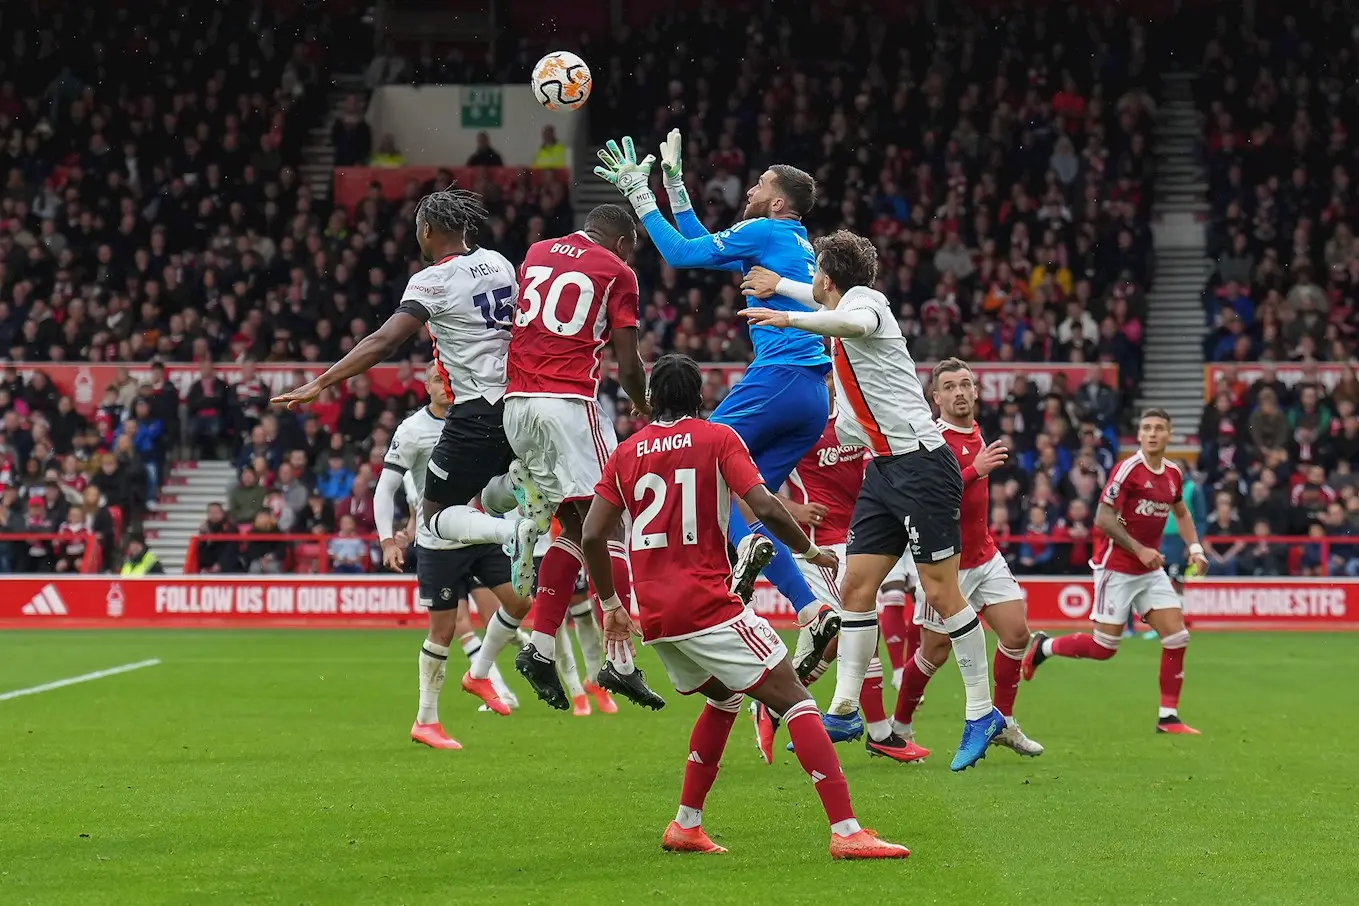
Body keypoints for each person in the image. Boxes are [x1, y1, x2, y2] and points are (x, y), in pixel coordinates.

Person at [579, 354, 907, 860]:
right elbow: (767, 505)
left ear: (651, 402)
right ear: (701, 400)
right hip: (707, 603)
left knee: (724, 699)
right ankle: (847, 831)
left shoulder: (626, 453)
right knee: (796, 698)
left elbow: (593, 532)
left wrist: (610, 604)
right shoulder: (717, 438)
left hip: (658, 616)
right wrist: (812, 551)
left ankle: (687, 825)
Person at [740, 229, 1004, 772]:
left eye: (815, 275)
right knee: (855, 589)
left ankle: (982, 713)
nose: (811, 284)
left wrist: (788, 316)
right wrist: (780, 285)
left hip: (923, 465)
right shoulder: (839, 296)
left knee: (941, 591)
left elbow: (847, 320)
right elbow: (822, 300)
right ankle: (843, 710)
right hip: (885, 469)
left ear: (829, 278)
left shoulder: (868, 304)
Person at [595, 133, 841, 676]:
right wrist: (677, 187)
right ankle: (811, 608)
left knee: (694, 455)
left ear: (777, 202)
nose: (750, 189)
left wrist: (642, 195)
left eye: (760, 185)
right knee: (738, 503)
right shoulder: (794, 242)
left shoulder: (765, 230)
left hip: (780, 374)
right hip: (809, 398)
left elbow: (683, 255)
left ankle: (720, 591)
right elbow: (706, 244)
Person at [271, 188, 540, 592]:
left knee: (435, 516)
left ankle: (511, 535)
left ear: (427, 230)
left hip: (476, 408)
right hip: (519, 400)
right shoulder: (499, 263)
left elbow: (383, 341)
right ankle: (515, 485)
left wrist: (323, 381)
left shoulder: (432, 279)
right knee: (485, 494)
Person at [497, 203, 659, 712]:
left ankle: (540, 648)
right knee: (611, 521)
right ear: (624, 243)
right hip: (567, 404)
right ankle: (621, 657)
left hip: (516, 404)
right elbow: (628, 361)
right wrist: (645, 407)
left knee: (573, 525)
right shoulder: (618, 271)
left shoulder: (538, 251)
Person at [748, 374, 927, 766]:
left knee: (832, 642)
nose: (834, 381)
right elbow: (753, 479)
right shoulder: (802, 426)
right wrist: (793, 510)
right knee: (861, 626)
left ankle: (773, 707)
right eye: (827, 374)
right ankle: (881, 734)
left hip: (858, 539)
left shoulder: (855, 424)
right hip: (819, 545)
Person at [893, 358, 1045, 759]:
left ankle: (1004, 723)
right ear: (936, 396)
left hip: (984, 554)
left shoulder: (977, 433)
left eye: (966, 384)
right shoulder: (931, 438)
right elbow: (926, 500)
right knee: (932, 654)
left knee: (1016, 634)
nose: (959, 392)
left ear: (976, 392)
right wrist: (974, 470)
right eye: (950, 386)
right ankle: (899, 727)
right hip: (945, 565)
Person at [1023, 408, 1208, 735]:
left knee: (1177, 637)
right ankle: (1044, 647)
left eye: (1158, 428)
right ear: (1139, 434)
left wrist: (1195, 549)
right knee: (1104, 649)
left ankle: (1168, 717)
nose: (1152, 433)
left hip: (1149, 570)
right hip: (1117, 567)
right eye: (1146, 427)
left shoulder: (1173, 474)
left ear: (1169, 435)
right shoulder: (1128, 471)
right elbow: (1103, 518)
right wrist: (1139, 548)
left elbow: (1181, 513)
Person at [374, 362, 525, 747]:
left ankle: (479, 674)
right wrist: (387, 540)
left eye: (447, 378)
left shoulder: (477, 419)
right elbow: (385, 487)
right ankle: (426, 721)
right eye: (437, 380)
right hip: (438, 543)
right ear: (426, 387)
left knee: (521, 601)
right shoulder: (413, 430)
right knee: (442, 632)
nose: (444, 386)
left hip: (479, 531)